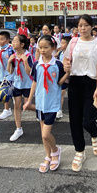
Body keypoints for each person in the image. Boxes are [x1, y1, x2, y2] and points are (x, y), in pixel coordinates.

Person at [63, 15, 97, 172]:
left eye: (86, 25)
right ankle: (79, 151)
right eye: (80, 25)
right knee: (74, 120)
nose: (83, 28)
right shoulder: (74, 42)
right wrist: (66, 66)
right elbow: (66, 60)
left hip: (91, 83)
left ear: (92, 27)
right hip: (75, 82)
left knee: (88, 119)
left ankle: (95, 132)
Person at [23, 35, 70, 173]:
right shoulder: (37, 64)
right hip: (40, 102)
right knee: (42, 131)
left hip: (52, 103)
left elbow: (60, 83)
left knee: (45, 134)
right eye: (40, 47)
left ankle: (55, 151)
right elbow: (35, 82)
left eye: (46, 47)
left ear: (53, 48)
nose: (42, 50)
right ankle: (48, 156)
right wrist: (29, 100)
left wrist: (67, 73)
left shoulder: (58, 64)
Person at [7, 34, 34, 142]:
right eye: (13, 41)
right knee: (16, 106)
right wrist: (9, 61)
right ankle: (18, 129)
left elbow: (30, 72)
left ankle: (43, 110)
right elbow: (10, 71)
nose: (13, 43)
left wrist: (25, 61)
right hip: (17, 84)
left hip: (27, 84)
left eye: (15, 41)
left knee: (27, 106)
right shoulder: (13, 55)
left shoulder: (28, 55)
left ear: (22, 44)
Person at [56, 36, 72, 119]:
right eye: (61, 43)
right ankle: (59, 110)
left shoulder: (71, 53)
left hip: (71, 75)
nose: (61, 45)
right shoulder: (60, 53)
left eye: (63, 43)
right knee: (61, 92)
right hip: (63, 75)